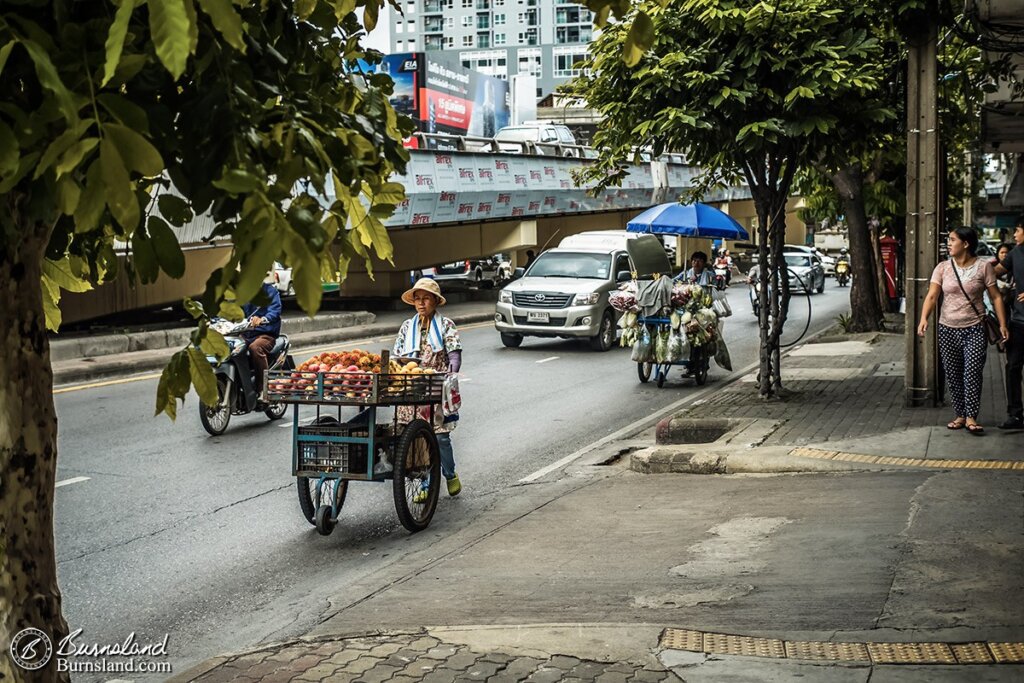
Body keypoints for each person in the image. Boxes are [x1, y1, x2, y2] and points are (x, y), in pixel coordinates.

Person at [917, 227, 1009, 435]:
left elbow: (995, 297)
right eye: (948, 240)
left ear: (966, 244)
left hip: (975, 328)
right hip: (947, 328)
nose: (949, 244)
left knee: (972, 372)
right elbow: (932, 296)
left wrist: (1003, 324)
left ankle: (971, 417)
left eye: (952, 240)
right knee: (953, 374)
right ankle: (960, 414)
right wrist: (924, 318)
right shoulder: (942, 268)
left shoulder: (983, 267)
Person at [393, 278, 463, 499]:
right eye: (417, 299)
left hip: (436, 388)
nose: (421, 303)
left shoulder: (446, 325)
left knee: (440, 437)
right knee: (414, 437)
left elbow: (454, 354)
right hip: (411, 388)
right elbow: (397, 355)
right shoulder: (407, 326)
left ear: (435, 301)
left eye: (426, 299)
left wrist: (451, 374)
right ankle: (426, 484)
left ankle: (450, 474)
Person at [995, 219, 1024, 429]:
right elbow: (995, 271)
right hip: (1018, 321)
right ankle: (1015, 414)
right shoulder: (1015, 253)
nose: (1014, 235)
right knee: (1013, 367)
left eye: (1018, 231)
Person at [242, 275, 282, 402]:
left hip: (265, 334)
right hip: (245, 334)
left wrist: (262, 319)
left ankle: (263, 389)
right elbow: (232, 309)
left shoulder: (270, 291)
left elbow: (275, 311)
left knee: (255, 348)